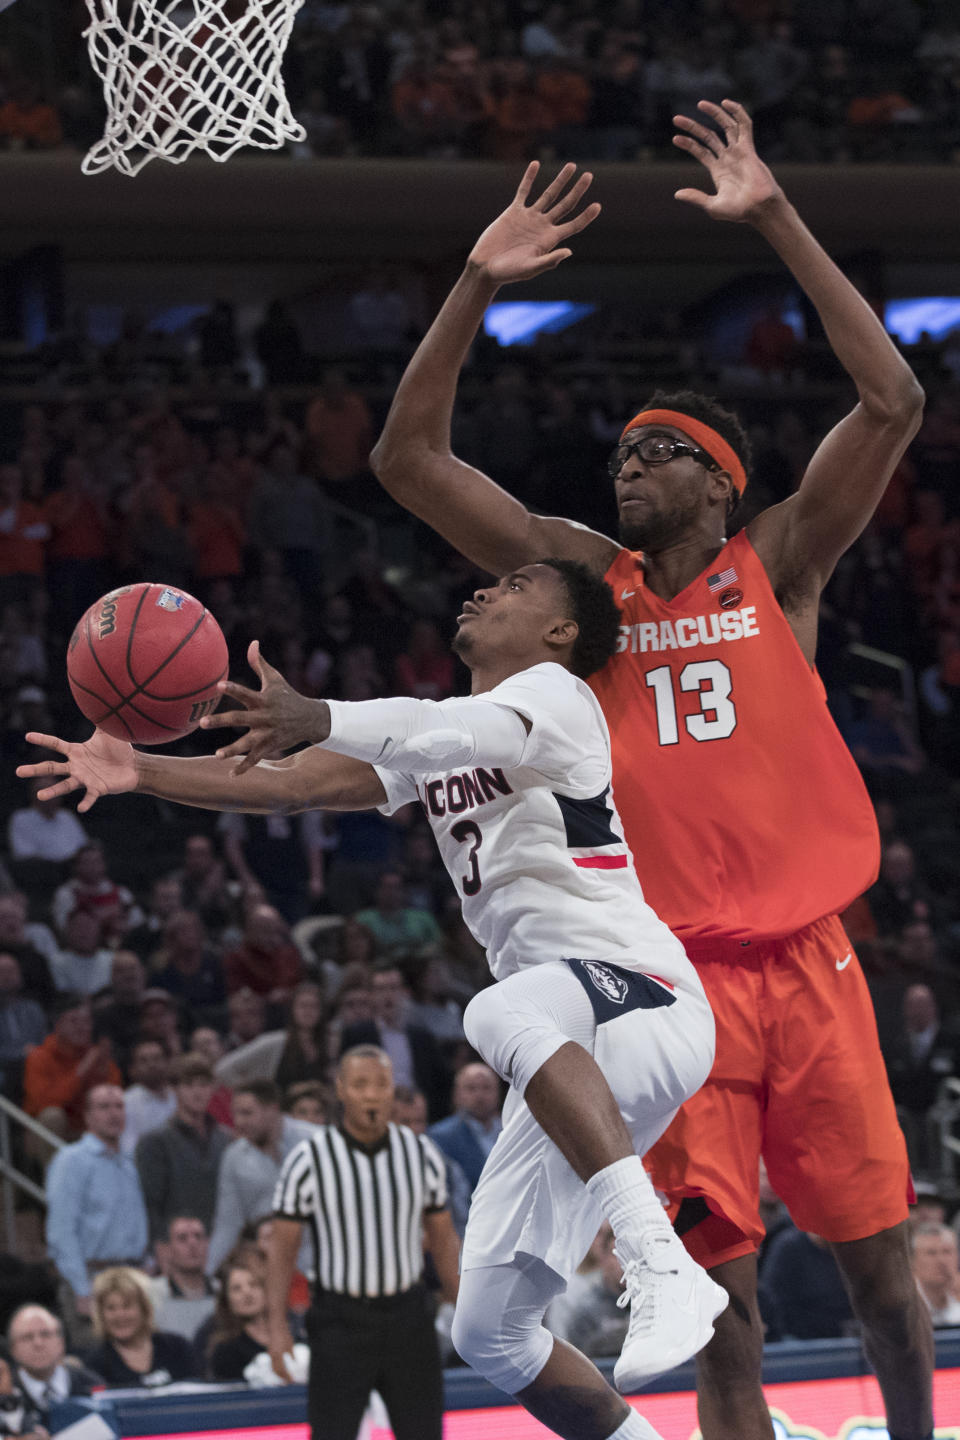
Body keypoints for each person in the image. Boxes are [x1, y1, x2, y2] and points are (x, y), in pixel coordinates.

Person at [366, 98, 931, 1440]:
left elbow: (894, 397)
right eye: (620, 450)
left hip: (810, 961)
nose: (630, 461)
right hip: (663, 982)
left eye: (658, 448)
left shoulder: (778, 564)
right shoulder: (583, 590)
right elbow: (408, 460)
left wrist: (777, 215)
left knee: (884, 1278)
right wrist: (473, 281)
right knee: (717, 1310)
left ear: (722, 482)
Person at [23, 557, 724, 1440]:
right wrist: (144, 772)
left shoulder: (556, 697)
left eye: (515, 588)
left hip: (644, 1001)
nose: (481, 588)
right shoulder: (442, 740)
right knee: (491, 1335)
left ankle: (657, 1258)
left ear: (560, 633)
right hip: (576, 1059)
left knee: (496, 1009)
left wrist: (318, 714)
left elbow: (435, 732)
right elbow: (297, 783)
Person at [271, 1047, 458, 1440]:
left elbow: (442, 1236)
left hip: (408, 1316)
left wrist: (461, 1305)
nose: (371, 1095)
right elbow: (283, 1248)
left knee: (425, 1431)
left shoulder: (421, 1153)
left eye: (381, 1084)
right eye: (360, 1085)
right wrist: (276, 1324)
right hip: (339, 1320)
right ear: (340, 1090)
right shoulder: (309, 1159)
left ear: (393, 1091)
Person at [45, 1084, 148, 1343]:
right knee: (97, 1362)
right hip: (92, 1279)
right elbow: (60, 1231)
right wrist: (81, 1288)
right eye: (104, 1107)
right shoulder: (71, 1160)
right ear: (88, 1116)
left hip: (132, 1278)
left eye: (119, 1106)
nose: (114, 1114)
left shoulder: (128, 1162)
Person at [207, 1080, 316, 1274]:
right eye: (236, 1114)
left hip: (317, 1258)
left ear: (272, 1109)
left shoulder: (317, 1142)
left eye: (247, 1113)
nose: (239, 1123)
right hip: (266, 1265)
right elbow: (228, 1223)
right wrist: (210, 1272)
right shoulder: (234, 1157)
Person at [134, 1053, 232, 1245]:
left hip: (220, 1243)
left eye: (204, 1084)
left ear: (213, 1088)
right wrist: (161, 1248)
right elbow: (151, 1206)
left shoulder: (225, 1139)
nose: (197, 1092)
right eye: (189, 1085)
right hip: (176, 1246)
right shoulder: (155, 1142)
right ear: (174, 1089)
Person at [339, 962, 450, 1122]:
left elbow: (439, 1083)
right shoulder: (357, 1035)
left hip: (418, 1115)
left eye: (393, 988)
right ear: (371, 995)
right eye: (381, 989)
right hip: (373, 1113)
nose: (388, 995)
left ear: (404, 992)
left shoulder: (422, 1037)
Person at [23, 995, 121, 1141]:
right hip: (45, 1134)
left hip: (88, 1131)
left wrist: (102, 1073)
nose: (82, 1027)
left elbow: (115, 1095)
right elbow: (43, 1105)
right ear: (58, 1025)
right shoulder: (39, 1057)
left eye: (86, 1021)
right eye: (74, 1021)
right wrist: (80, 1073)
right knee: (53, 1116)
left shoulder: (96, 1055)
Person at [85, 1267, 196, 1389]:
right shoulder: (95, 1364)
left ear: (145, 1308)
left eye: (127, 1306)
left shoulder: (178, 1348)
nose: (120, 1315)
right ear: (101, 1314)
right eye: (111, 1308)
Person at [6, 1306, 102, 1425]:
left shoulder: (92, 1385)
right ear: (12, 1349)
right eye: (27, 1337)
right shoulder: (5, 1394)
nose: (38, 1343)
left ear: (61, 1342)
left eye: (45, 1334)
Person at [428, 1061, 502, 1191]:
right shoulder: (441, 1137)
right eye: (471, 1088)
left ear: (498, 1093)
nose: (480, 1095)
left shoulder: (512, 1130)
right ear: (457, 1095)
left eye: (486, 1087)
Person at [149, 1217, 218, 1343]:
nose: (192, 1244)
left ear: (208, 1243)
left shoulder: (224, 1291)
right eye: (182, 1238)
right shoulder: (151, 1294)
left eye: (198, 1236)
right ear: (167, 1249)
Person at [206, 1260, 273, 1382]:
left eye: (253, 1284)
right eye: (237, 1289)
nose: (247, 1293)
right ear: (226, 1300)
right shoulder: (225, 1350)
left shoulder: (291, 1332)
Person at [121, 1039, 176, 1157]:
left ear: (168, 1063)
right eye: (144, 1061)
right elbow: (127, 1147)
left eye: (157, 1058)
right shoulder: (126, 1102)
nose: (152, 1065)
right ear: (132, 1069)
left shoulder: (179, 1097)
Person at [910, 1224, 960, 1327]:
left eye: (947, 1252)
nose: (941, 1261)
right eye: (931, 1253)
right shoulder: (903, 1308)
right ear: (912, 1261)